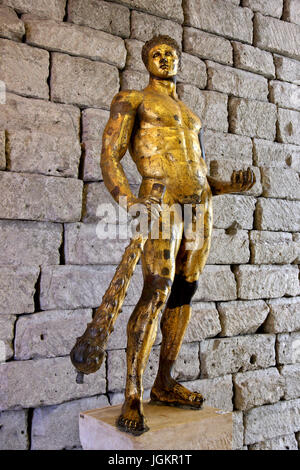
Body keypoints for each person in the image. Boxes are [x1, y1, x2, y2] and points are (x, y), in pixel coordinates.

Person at [100, 35, 255, 435]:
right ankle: (133, 392)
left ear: (179, 61)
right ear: (146, 60)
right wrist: (128, 201)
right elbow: (110, 157)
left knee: (184, 292)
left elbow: (198, 170)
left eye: (171, 53)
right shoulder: (133, 99)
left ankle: (164, 381)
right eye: (157, 54)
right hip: (160, 201)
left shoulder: (189, 113)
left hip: (200, 206)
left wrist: (227, 186)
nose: (166, 58)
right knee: (156, 289)